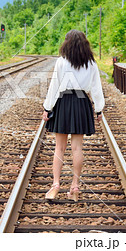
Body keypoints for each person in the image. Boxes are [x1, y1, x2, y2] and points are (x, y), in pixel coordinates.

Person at [42, 29, 104, 201]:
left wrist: (47, 107)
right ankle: (75, 187)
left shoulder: (61, 62)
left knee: (59, 148)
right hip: (81, 102)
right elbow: (97, 88)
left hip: (64, 102)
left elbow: (54, 87)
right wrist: (99, 109)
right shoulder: (91, 63)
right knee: (77, 148)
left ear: (66, 43)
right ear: (84, 44)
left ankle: (55, 185)